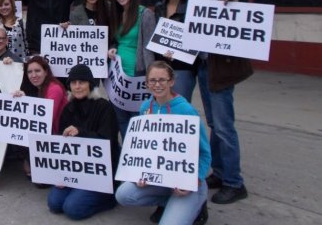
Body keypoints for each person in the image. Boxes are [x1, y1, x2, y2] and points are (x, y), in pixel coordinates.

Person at [115, 61, 210, 225]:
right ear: (146, 83)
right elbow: (144, 148)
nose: (157, 84)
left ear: (171, 82)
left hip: (187, 182)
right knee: (123, 195)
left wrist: (195, 179)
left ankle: (198, 205)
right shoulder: (145, 107)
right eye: (152, 80)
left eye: (162, 80)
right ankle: (168, 202)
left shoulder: (186, 110)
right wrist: (140, 173)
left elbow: (204, 153)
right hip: (161, 178)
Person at [194, 0, 251, 204]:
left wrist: (235, 9)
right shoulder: (197, 7)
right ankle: (219, 174)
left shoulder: (230, 6)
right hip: (204, 71)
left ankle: (234, 183)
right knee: (213, 125)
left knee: (225, 129)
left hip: (221, 75)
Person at [47, 64, 120, 220]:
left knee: (72, 209)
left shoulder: (104, 107)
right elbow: (61, 146)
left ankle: (110, 197)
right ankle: (78, 191)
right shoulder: (68, 109)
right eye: (73, 83)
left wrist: (81, 133)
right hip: (76, 169)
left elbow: (107, 142)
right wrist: (60, 175)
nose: (77, 86)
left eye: (82, 82)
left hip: (100, 173)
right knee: (54, 203)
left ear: (90, 84)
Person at [107, 0, 156, 138]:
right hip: (117, 76)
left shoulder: (145, 14)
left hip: (138, 75)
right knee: (121, 118)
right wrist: (113, 47)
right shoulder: (116, 13)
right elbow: (115, 39)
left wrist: (150, 77)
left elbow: (149, 47)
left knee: (137, 119)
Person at [17, 56, 69, 177]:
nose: (33, 75)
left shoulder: (54, 88)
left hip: (59, 136)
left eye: (37, 71)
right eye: (30, 72)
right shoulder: (41, 88)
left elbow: (45, 119)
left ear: (46, 72)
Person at [153, 0, 197, 102]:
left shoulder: (192, 7)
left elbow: (196, 40)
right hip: (161, 66)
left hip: (182, 68)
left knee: (178, 107)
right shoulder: (159, 6)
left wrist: (176, 54)